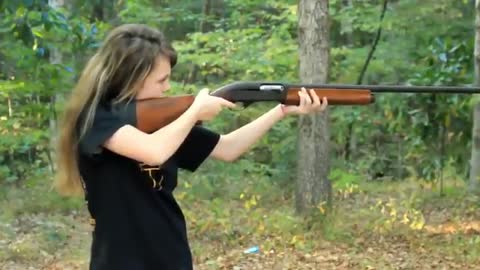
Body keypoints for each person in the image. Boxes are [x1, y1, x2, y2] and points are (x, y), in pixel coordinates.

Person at [54, 23, 328, 270]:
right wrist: (194, 111)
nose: (167, 87)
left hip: (171, 256)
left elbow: (228, 148)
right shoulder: (95, 118)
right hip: (118, 261)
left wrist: (281, 111)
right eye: (161, 80)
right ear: (130, 77)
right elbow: (153, 151)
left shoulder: (164, 123)